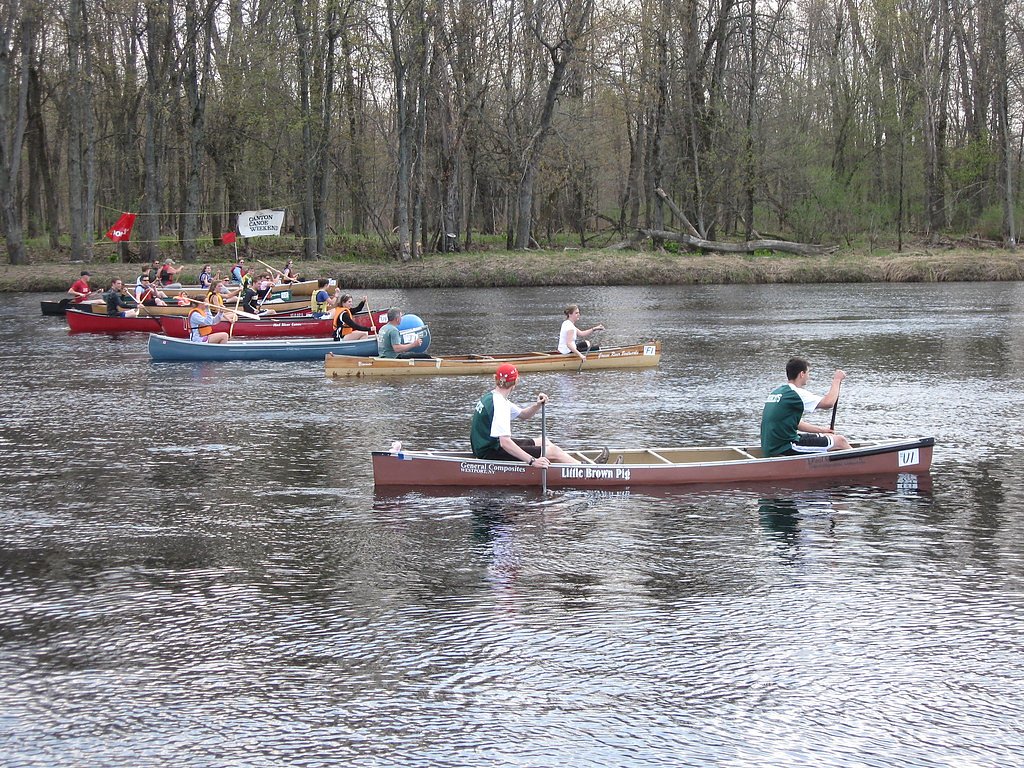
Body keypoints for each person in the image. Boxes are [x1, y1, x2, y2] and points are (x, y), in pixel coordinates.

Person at [470, 363, 589, 466]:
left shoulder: (492, 396)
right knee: (555, 451)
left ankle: (561, 467)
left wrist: (537, 405)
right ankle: (587, 470)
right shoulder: (500, 404)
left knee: (544, 441)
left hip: (487, 446)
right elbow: (505, 443)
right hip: (490, 452)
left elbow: (523, 414)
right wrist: (532, 461)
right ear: (516, 382)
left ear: (495, 378)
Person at [760, 357, 851, 457]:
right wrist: (837, 380)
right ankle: (863, 464)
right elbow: (828, 403)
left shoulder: (778, 392)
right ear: (802, 374)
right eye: (808, 373)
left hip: (772, 446)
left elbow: (796, 424)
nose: (809, 377)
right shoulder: (795, 393)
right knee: (840, 441)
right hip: (786, 446)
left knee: (829, 437)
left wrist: (824, 430)